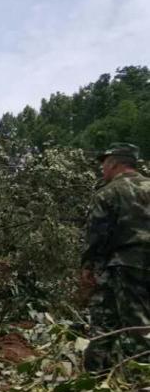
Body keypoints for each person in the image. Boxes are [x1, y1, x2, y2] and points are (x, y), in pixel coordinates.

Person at [81, 142, 150, 371]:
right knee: (111, 320)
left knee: (135, 326)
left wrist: (88, 266)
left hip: (126, 264)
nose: (103, 169)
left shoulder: (108, 193)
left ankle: (138, 386)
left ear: (115, 163)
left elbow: (96, 236)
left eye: (105, 164)